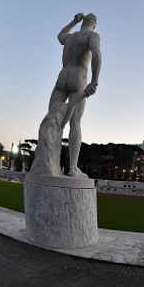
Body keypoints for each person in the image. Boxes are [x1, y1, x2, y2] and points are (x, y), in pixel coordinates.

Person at [49, 13, 101, 178]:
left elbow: (60, 36)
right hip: (78, 78)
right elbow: (97, 55)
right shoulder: (92, 35)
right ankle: (72, 168)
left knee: (54, 123)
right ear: (93, 24)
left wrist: (73, 22)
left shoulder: (71, 37)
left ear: (82, 22)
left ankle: (51, 164)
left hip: (61, 78)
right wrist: (94, 81)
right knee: (75, 123)